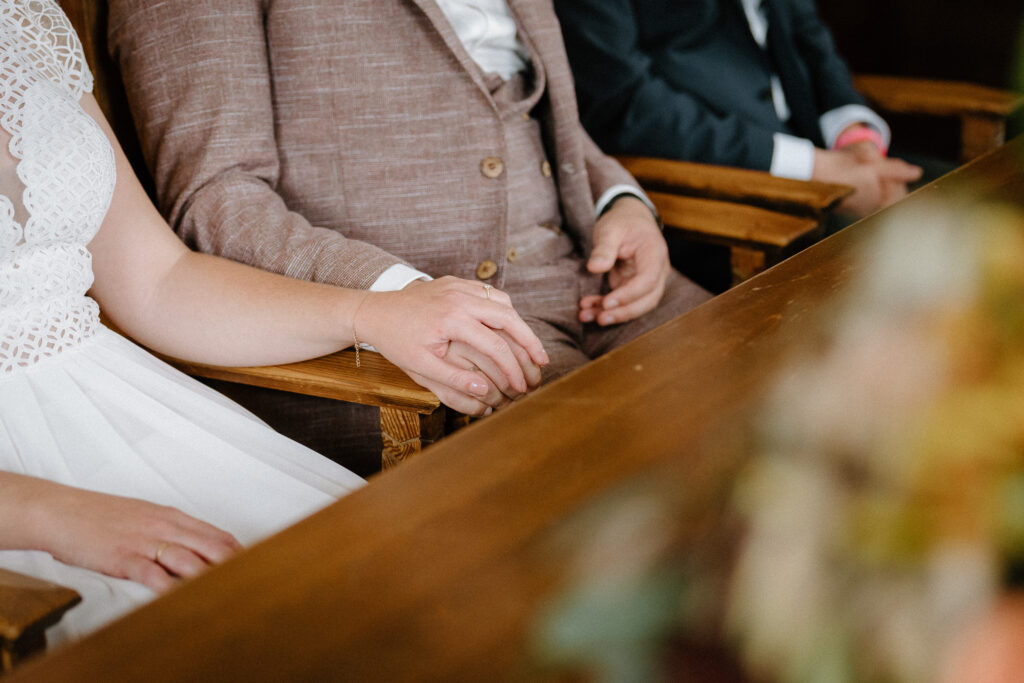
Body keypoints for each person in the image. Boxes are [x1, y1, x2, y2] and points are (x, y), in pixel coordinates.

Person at [0, 0, 549, 644]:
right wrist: (56, 516)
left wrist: (371, 313)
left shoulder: (23, 21)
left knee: (435, 593)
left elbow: (158, 281)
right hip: (28, 508)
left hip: (123, 410)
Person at [106, 0, 714, 462]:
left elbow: (523, 105)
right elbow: (217, 197)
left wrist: (619, 199)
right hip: (417, 347)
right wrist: (398, 294)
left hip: (602, 281)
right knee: (658, 488)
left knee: (783, 402)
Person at [553, 0, 924, 219]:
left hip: (834, 151)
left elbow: (807, 33)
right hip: (723, 194)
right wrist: (818, 170)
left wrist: (857, 140)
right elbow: (627, 104)